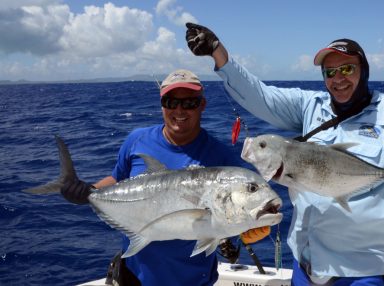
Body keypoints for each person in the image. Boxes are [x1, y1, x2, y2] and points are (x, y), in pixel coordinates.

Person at [185, 23, 384, 286]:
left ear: (364, 71)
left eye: (347, 69)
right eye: (330, 72)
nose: (338, 79)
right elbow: (261, 96)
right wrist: (218, 53)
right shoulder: (311, 106)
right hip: (306, 261)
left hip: (363, 267)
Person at [60, 69, 269, 286]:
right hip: (134, 275)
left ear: (202, 105)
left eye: (189, 102)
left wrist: (250, 230)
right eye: (171, 102)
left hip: (193, 279)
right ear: (162, 105)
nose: (179, 110)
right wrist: (87, 192)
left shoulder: (222, 158)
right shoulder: (137, 140)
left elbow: (234, 213)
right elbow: (117, 179)